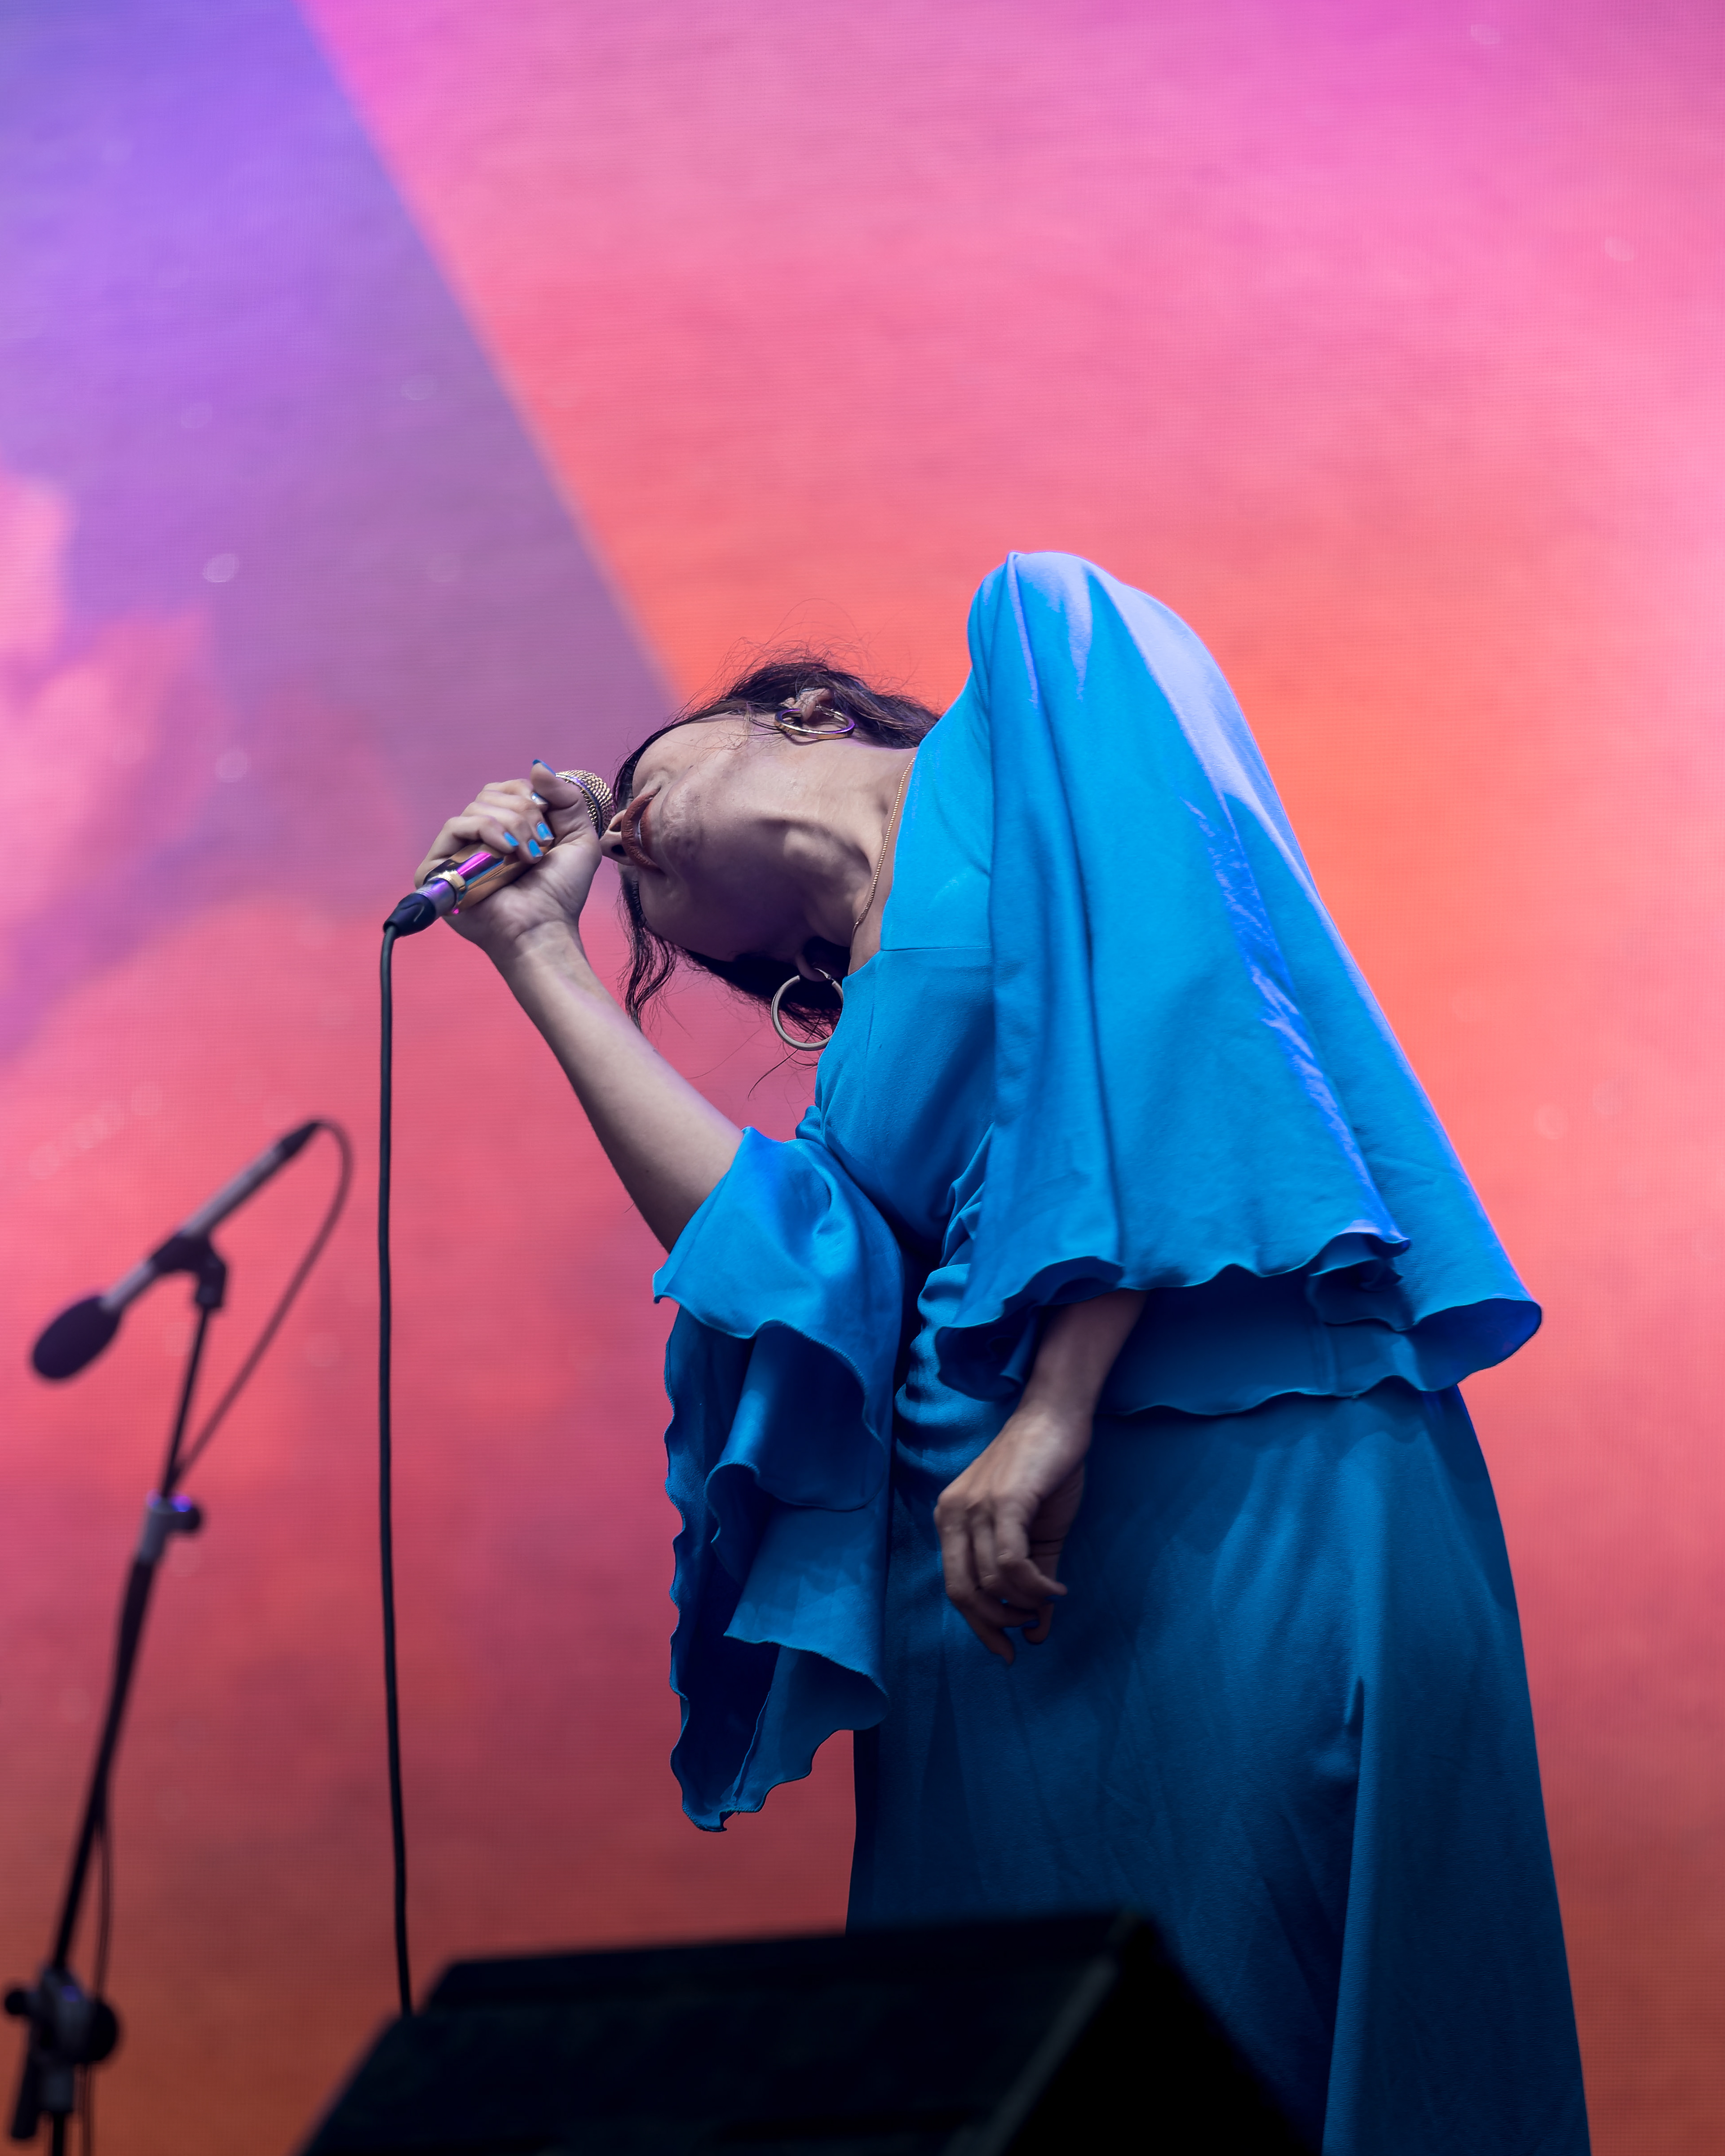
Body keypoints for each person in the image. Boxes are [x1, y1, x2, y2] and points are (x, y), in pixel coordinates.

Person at [417, 552, 1588, 2153]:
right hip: (978, 1607)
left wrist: (1056, 1402)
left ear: (801, 709)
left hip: (1217, 1469)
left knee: (1272, 2003)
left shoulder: (1045, 657)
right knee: (1042, 2070)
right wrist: (537, 952)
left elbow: (1181, 981)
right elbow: (793, 1271)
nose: (615, 834)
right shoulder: (859, 1073)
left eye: (642, 778)